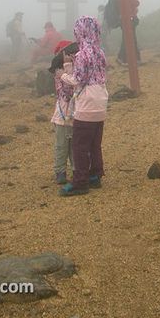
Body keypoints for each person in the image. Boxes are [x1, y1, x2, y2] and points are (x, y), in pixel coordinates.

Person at [59, 16, 109, 197]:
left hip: (87, 102)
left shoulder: (81, 55)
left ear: (79, 32)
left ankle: (80, 182)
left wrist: (64, 72)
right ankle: (95, 174)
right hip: (101, 98)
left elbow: (77, 80)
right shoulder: (100, 52)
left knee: (80, 145)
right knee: (95, 142)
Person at [49, 39, 77, 184]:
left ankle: (76, 170)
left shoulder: (74, 71)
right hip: (62, 116)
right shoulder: (59, 74)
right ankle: (60, 171)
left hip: (74, 115)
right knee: (61, 145)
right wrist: (67, 70)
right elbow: (67, 93)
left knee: (74, 146)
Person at [117, 0, 142, 65]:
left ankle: (134, 59)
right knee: (126, 44)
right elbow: (123, 22)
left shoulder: (132, 11)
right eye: (134, 6)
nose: (135, 8)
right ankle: (124, 60)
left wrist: (133, 21)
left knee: (128, 43)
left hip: (131, 30)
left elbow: (136, 21)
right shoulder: (126, 12)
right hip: (127, 30)